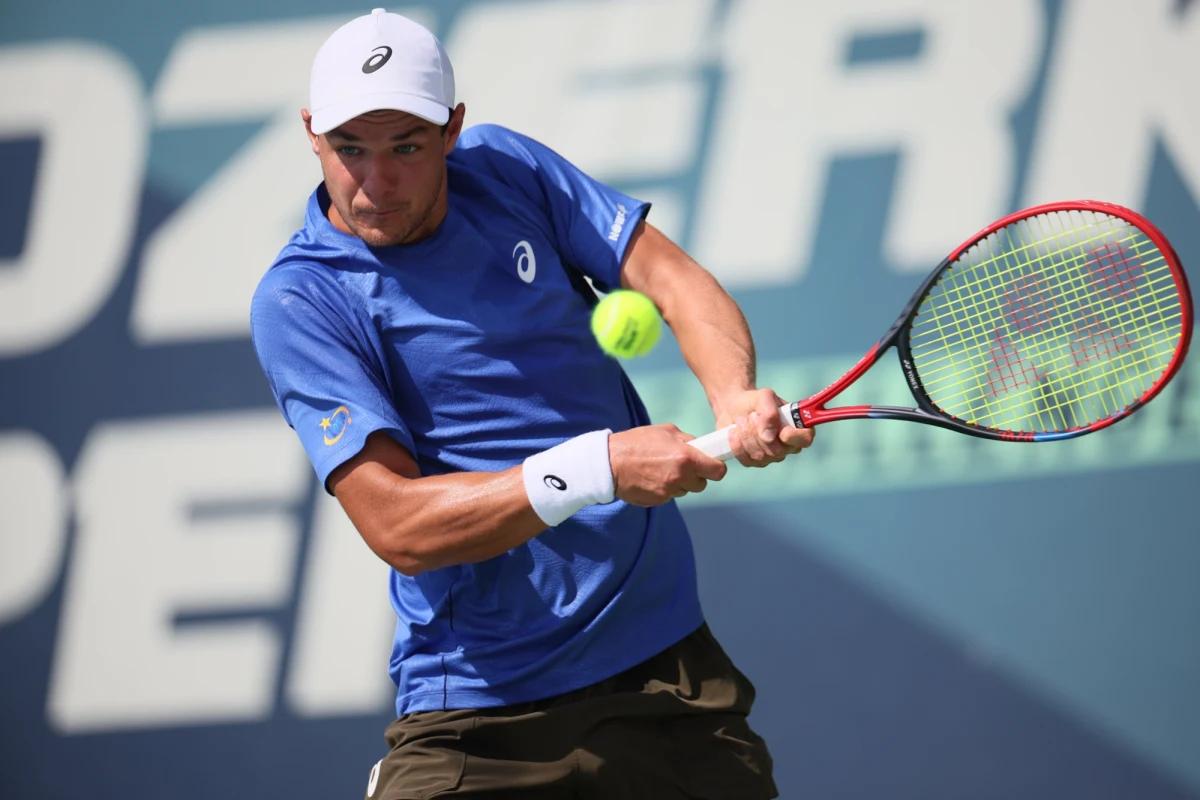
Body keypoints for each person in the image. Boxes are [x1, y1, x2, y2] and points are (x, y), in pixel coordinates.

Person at [250, 8, 813, 799]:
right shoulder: (302, 300)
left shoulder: (509, 170)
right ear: (313, 133)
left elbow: (668, 279)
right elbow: (396, 524)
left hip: (664, 678)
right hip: (477, 714)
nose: (375, 182)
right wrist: (601, 467)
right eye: (351, 149)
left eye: (406, 148)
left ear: (452, 129)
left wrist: (734, 392)